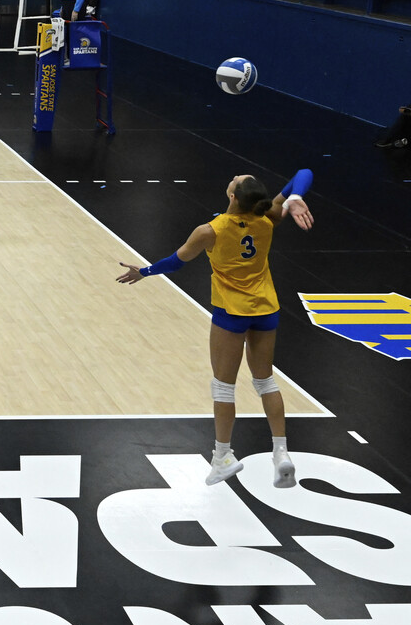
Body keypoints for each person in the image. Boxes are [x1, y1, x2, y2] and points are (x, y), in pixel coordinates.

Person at [115, 168, 316, 487]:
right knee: (265, 381)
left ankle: (223, 456)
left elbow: (177, 261)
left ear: (232, 196)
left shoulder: (211, 230)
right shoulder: (268, 218)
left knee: (224, 386)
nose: (234, 176)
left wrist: (145, 271)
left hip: (231, 312)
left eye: (235, 181)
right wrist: (294, 198)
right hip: (266, 309)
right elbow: (304, 173)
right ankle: (281, 453)